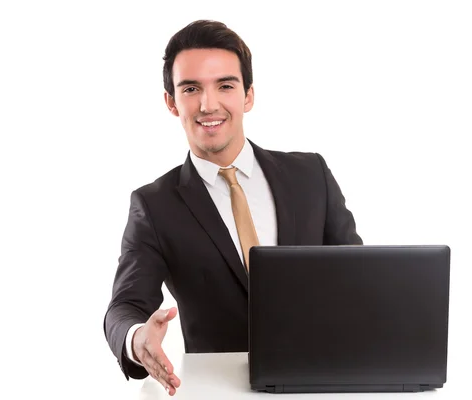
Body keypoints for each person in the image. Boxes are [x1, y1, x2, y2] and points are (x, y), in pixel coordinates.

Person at [103, 19, 363, 396]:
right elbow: (124, 306)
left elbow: (357, 280)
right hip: (219, 391)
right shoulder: (154, 205)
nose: (209, 105)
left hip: (321, 383)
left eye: (225, 85)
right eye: (191, 89)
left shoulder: (311, 176)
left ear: (248, 96)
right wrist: (137, 338)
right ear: (172, 102)